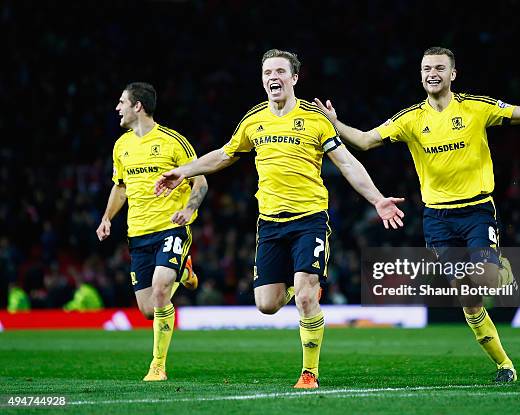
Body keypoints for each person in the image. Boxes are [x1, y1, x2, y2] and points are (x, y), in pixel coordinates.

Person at [314, 46, 520, 383]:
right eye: (426, 68)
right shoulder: (410, 119)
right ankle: (505, 365)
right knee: (468, 298)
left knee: (487, 282)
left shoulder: (476, 108)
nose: (432, 73)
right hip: (438, 219)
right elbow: (364, 140)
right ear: (420, 75)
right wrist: (335, 123)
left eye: (439, 68)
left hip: (477, 211)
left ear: (453, 74)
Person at [155, 49, 405, 389]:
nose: (272, 77)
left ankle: (309, 371)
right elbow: (224, 155)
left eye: (279, 72)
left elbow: (347, 163)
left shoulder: (315, 119)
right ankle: (302, 286)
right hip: (270, 224)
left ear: (294, 78)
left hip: (309, 220)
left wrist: (377, 199)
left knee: (304, 297)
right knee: (267, 305)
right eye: (267, 72)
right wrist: (183, 172)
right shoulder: (254, 120)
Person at [96, 82, 208, 381]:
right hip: (139, 234)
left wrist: (189, 210)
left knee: (160, 289)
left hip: (171, 227)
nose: (117, 108)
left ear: (137, 106)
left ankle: (157, 365)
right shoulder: (121, 146)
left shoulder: (173, 141)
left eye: (122, 102)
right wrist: (107, 217)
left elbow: (201, 181)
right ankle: (183, 272)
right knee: (148, 309)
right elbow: (120, 188)